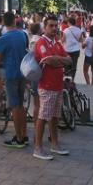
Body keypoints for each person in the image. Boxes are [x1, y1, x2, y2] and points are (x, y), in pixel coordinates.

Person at [32, 15, 72, 160]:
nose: (54, 28)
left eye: (56, 25)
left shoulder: (57, 42)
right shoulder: (41, 42)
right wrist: (61, 60)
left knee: (54, 116)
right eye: (51, 26)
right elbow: (49, 61)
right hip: (46, 85)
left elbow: (69, 60)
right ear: (44, 27)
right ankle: (37, 148)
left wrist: (58, 60)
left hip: (57, 85)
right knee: (43, 117)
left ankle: (54, 144)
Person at [0, 12, 29, 148]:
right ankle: (24, 134)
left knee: (14, 107)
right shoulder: (22, 34)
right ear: (15, 21)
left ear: (4, 22)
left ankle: (19, 138)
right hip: (23, 73)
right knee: (21, 105)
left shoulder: (4, 38)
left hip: (11, 74)